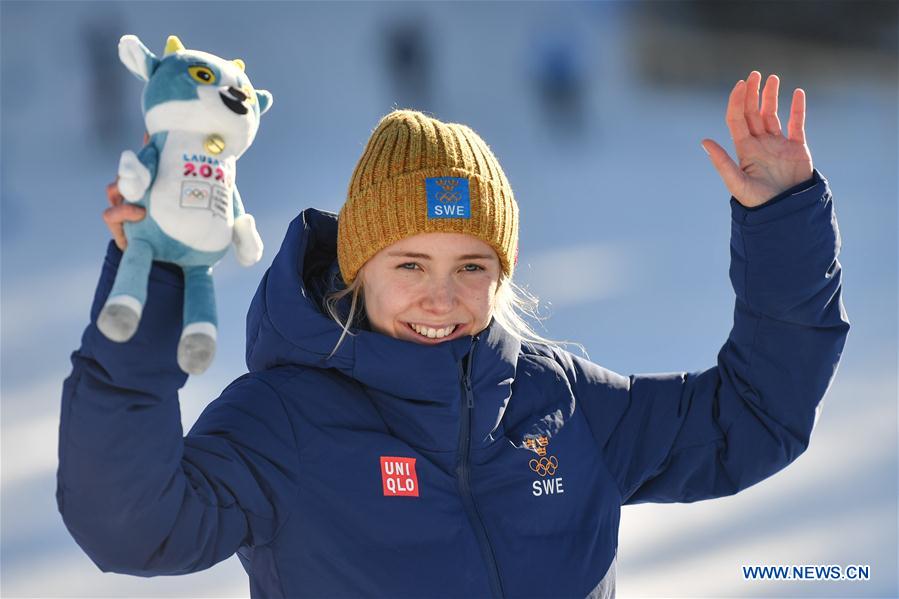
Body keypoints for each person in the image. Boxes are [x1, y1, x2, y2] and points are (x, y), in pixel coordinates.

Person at [57, 70, 849, 598]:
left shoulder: (557, 399)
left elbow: (751, 419)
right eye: (409, 263)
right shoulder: (284, 421)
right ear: (356, 266)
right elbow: (132, 525)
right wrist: (151, 286)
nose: (441, 298)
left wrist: (781, 220)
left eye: (472, 265)